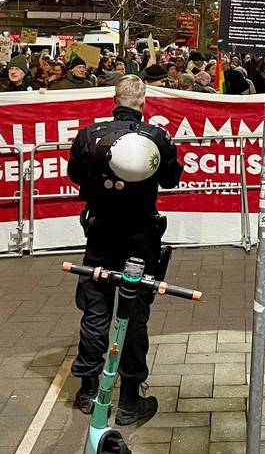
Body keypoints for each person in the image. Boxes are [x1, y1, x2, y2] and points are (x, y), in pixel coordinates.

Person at [67, 75, 182, 423]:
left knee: (96, 310)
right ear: (143, 101)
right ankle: (130, 400)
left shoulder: (89, 135)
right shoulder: (156, 136)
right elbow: (171, 178)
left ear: (114, 98)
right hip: (140, 239)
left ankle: (89, 390)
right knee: (133, 317)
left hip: (101, 234)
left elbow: (75, 174)